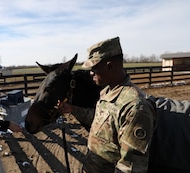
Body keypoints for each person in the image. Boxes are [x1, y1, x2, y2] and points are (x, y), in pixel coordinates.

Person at [58, 37, 156, 172]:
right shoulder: (107, 92)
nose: (90, 73)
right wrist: (72, 109)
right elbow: (101, 120)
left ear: (110, 66)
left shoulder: (135, 107)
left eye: (94, 68)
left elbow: (130, 167)